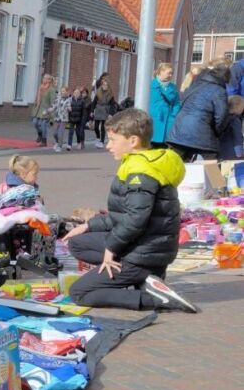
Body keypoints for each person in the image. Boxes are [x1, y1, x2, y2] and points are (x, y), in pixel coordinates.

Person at [63, 109, 197, 313]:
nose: (108, 146)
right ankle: (147, 278)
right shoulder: (141, 163)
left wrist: (111, 249)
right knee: (76, 243)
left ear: (133, 141)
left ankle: (154, 297)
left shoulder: (140, 172)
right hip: (146, 246)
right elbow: (124, 215)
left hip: (144, 253)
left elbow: (135, 219)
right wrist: (89, 225)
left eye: (113, 140)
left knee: (79, 293)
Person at [166, 59, 231, 162]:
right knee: (211, 164)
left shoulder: (195, 85)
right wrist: (217, 132)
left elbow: (183, 101)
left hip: (179, 130)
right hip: (201, 132)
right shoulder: (219, 91)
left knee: (174, 164)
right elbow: (221, 116)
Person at [149, 63, 180, 149]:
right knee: (151, 146)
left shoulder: (172, 87)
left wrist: (173, 116)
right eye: (168, 73)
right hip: (153, 120)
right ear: (161, 72)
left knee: (163, 148)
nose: (170, 75)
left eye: (171, 73)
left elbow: (177, 103)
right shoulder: (150, 85)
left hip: (167, 121)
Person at [30, 74, 56, 147]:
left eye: (46, 78)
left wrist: (51, 114)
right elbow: (37, 98)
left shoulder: (51, 89)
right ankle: (40, 135)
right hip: (38, 109)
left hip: (46, 110)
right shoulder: (41, 87)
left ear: (49, 80)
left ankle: (44, 141)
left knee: (43, 125)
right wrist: (35, 105)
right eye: (43, 78)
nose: (44, 79)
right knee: (35, 122)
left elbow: (53, 102)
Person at [90, 75, 114, 148]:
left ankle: (102, 141)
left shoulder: (110, 94)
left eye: (106, 85)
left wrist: (110, 113)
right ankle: (98, 137)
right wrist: (91, 111)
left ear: (108, 86)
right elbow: (94, 102)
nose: (104, 86)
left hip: (105, 110)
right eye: (103, 84)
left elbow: (112, 104)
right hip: (98, 109)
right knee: (96, 126)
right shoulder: (98, 92)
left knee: (103, 127)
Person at [218, 95, 244, 160]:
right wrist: (240, 154)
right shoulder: (235, 120)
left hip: (218, 152)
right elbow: (237, 138)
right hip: (230, 154)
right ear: (238, 107)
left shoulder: (219, 117)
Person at [50, 86, 72, 152]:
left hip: (63, 119)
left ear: (67, 92)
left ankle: (60, 146)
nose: (63, 92)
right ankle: (57, 142)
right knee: (54, 133)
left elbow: (69, 106)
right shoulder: (57, 99)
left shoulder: (69, 100)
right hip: (57, 118)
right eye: (62, 91)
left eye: (64, 91)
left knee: (60, 133)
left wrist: (69, 108)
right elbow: (53, 107)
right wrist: (47, 111)